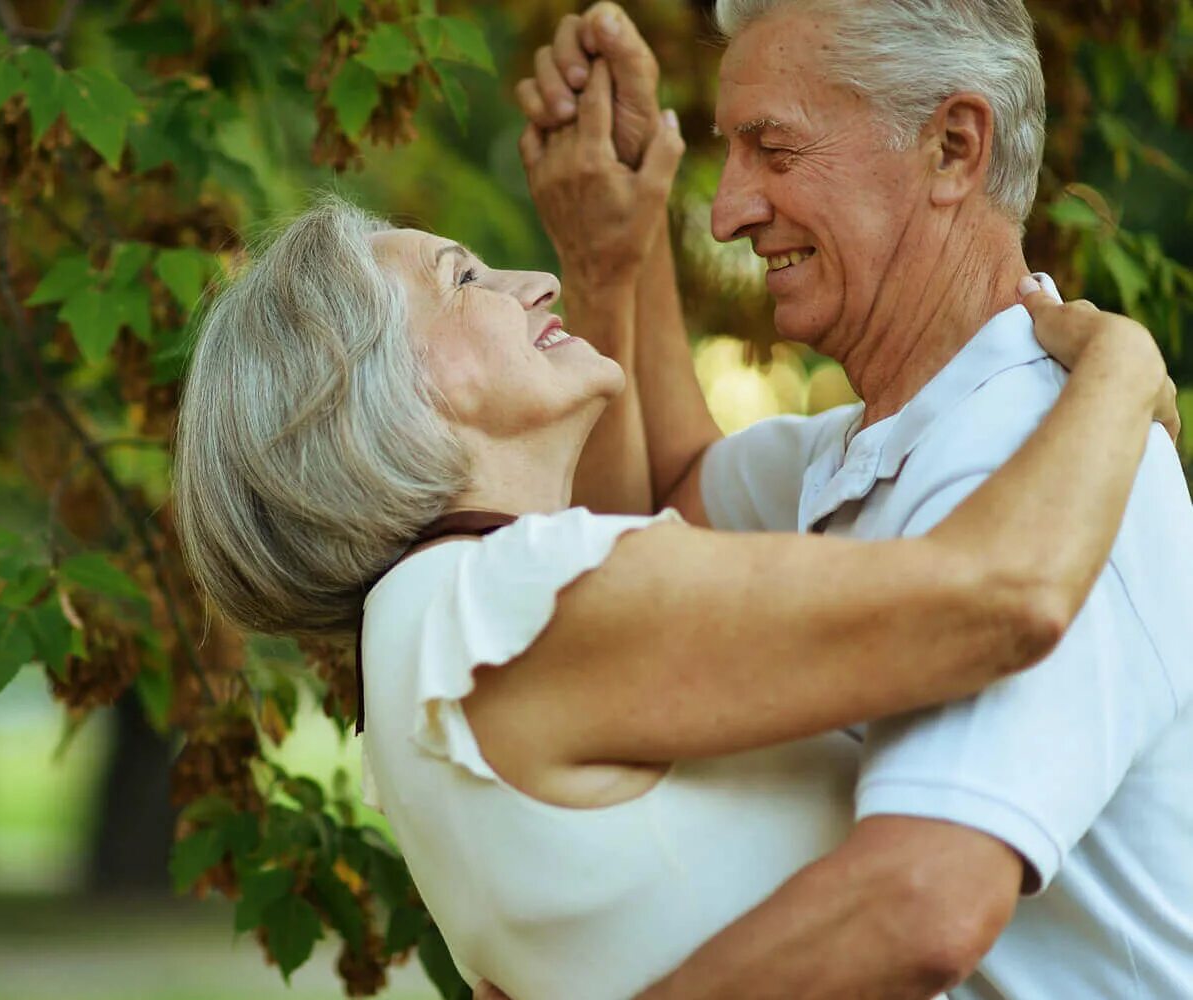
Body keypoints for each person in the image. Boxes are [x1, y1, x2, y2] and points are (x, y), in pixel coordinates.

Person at [170, 64, 1179, 1000]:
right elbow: (1001, 597)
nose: (533, 284)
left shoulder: (437, 633)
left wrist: (616, 254)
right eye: (464, 280)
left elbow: (672, 493)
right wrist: (1122, 369)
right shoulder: (504, 607)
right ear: (369, 395)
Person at [500, 0, 1193, 996]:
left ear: (953, 148)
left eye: (774, 152)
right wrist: (616, 248)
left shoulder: (1030, 461)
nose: (730, 211)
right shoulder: (900, 440)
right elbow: (664, 501)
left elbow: (920, 903)